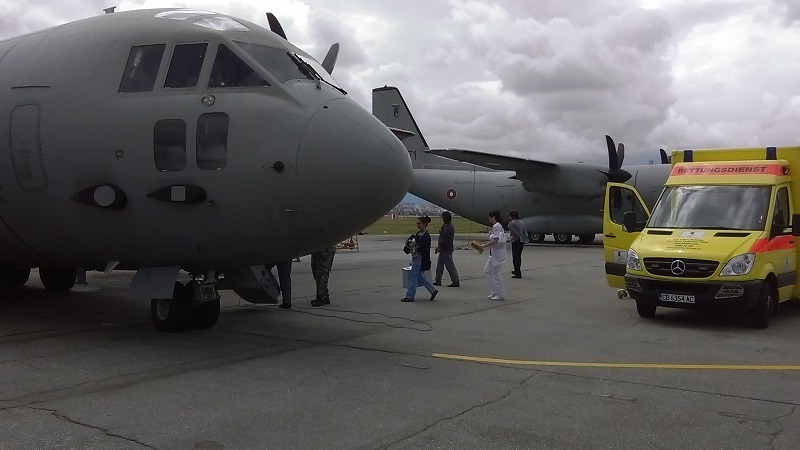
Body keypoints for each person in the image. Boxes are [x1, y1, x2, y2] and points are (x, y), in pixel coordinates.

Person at [402, 215, 438, 302]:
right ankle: (433, 290)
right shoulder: (418, 234)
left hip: (420, 258)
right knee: (419, 276)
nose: (417, 225)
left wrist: (417, 241)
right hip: (416, 257)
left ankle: (410, 296)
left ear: (424, 224)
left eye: (419, 223)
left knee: (413, 276)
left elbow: (425, 248)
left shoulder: (426, 236)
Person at [479, 210, 507, 300]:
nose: (489, 219)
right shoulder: (496, 226)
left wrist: (484, 246)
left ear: (493, 217)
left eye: (490, 217)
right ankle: (494, 291)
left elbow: (495, 241)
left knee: (496, 274)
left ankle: (500, 294)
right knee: (487, 271)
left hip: (497, 254)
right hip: (493, 254)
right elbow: (492, 239)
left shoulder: (496, 227)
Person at [434, 211, 460, 287]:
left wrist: (439, 247)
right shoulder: (446, 226)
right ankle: (438, 280)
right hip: (444, 249)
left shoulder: (448, 228)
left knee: (450, 266)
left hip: (446, 249)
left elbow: (444, 239)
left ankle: (455, 281)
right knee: (439, 265)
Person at [508, 210, 526, 279]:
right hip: (521, 242)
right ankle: (517, 270)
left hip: (515, 241)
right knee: (518, 256)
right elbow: (524, 230)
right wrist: (523, 239)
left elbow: (514, 232)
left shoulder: (511, 224)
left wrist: (519, 238)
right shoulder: (521, 222)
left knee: (515, 257)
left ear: (511, 216)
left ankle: (517, 272)